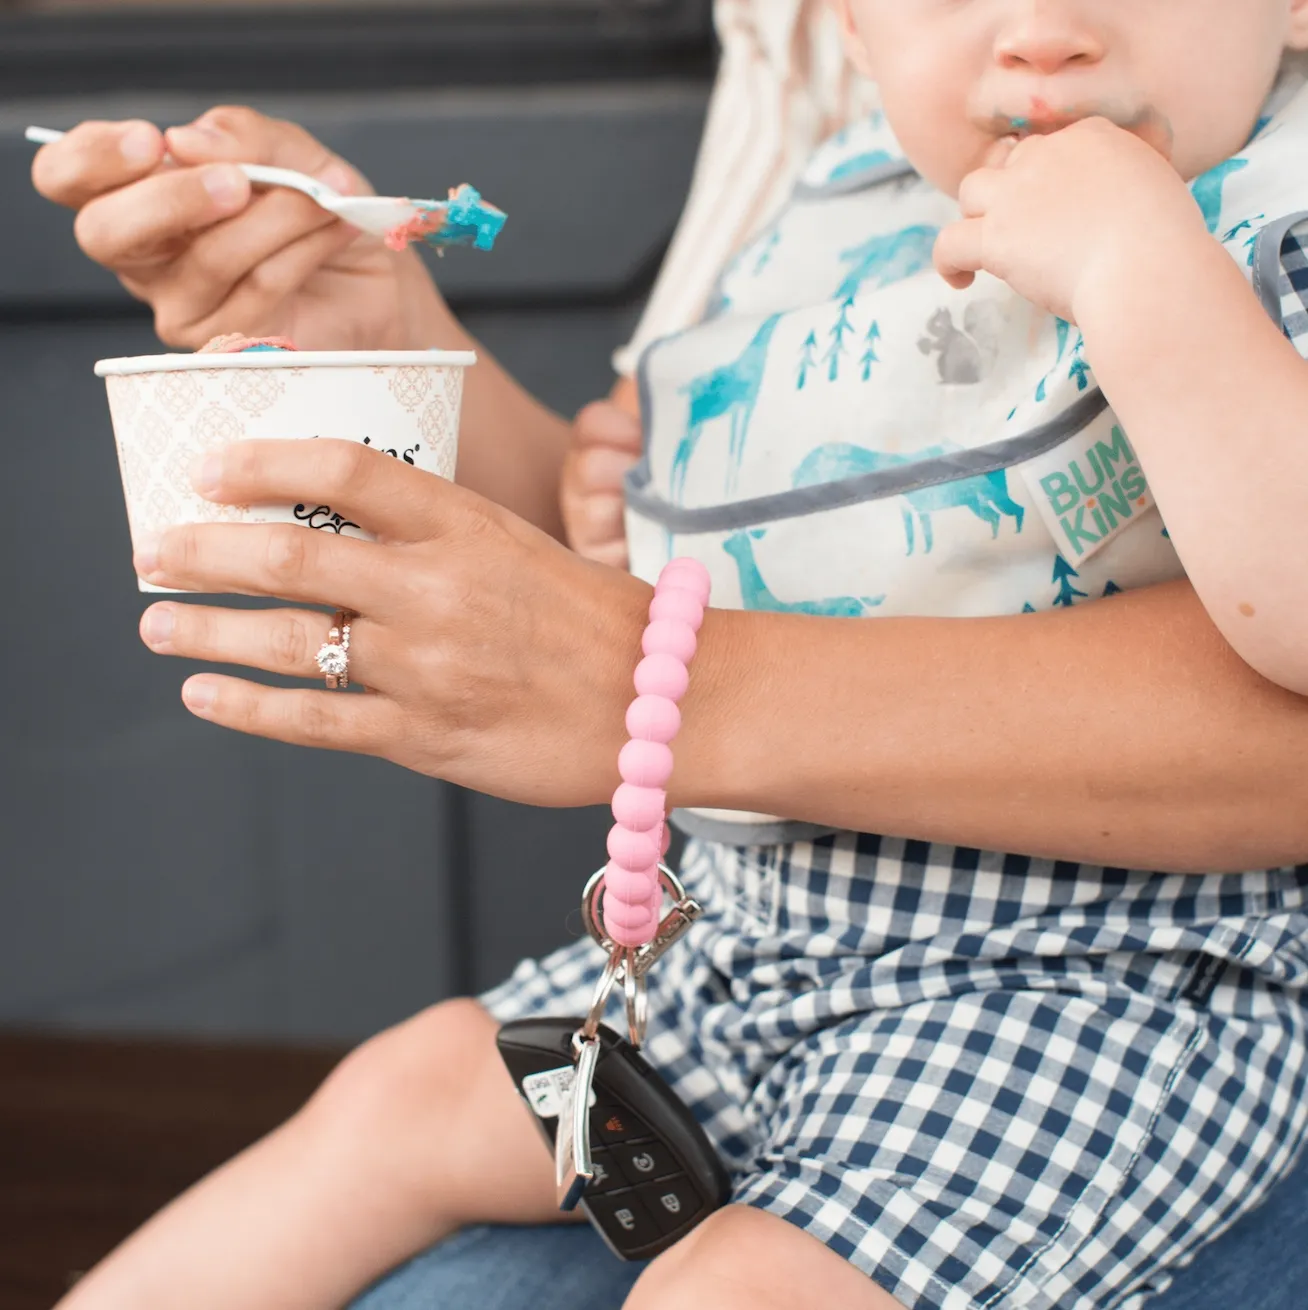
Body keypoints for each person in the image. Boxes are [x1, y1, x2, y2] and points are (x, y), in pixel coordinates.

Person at [29, 0, 1308, 1306]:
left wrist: (1146, 272)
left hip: (1092, 985)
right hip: (734, 941)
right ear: (848, 30)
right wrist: (375, 328)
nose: (1041, 30)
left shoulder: (1276, 204)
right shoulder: (839, 204)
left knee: (734, 1283)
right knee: (399, 1091)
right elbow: (631, 571)